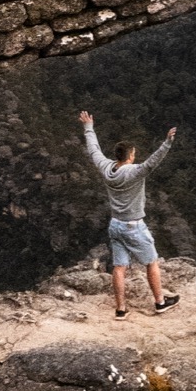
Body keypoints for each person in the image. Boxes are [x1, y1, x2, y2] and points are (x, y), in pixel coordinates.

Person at [78, 110, 180, 318]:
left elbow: (94, 150)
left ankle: (121, 309)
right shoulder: (134, 172)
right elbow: (153, 161)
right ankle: (160, 302)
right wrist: (167, 142)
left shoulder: (107, 168)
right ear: (130, 156)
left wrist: (88, 127)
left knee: (119, 267)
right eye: (134, 154)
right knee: (151, 262)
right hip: (134, 226)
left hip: (115, 225)